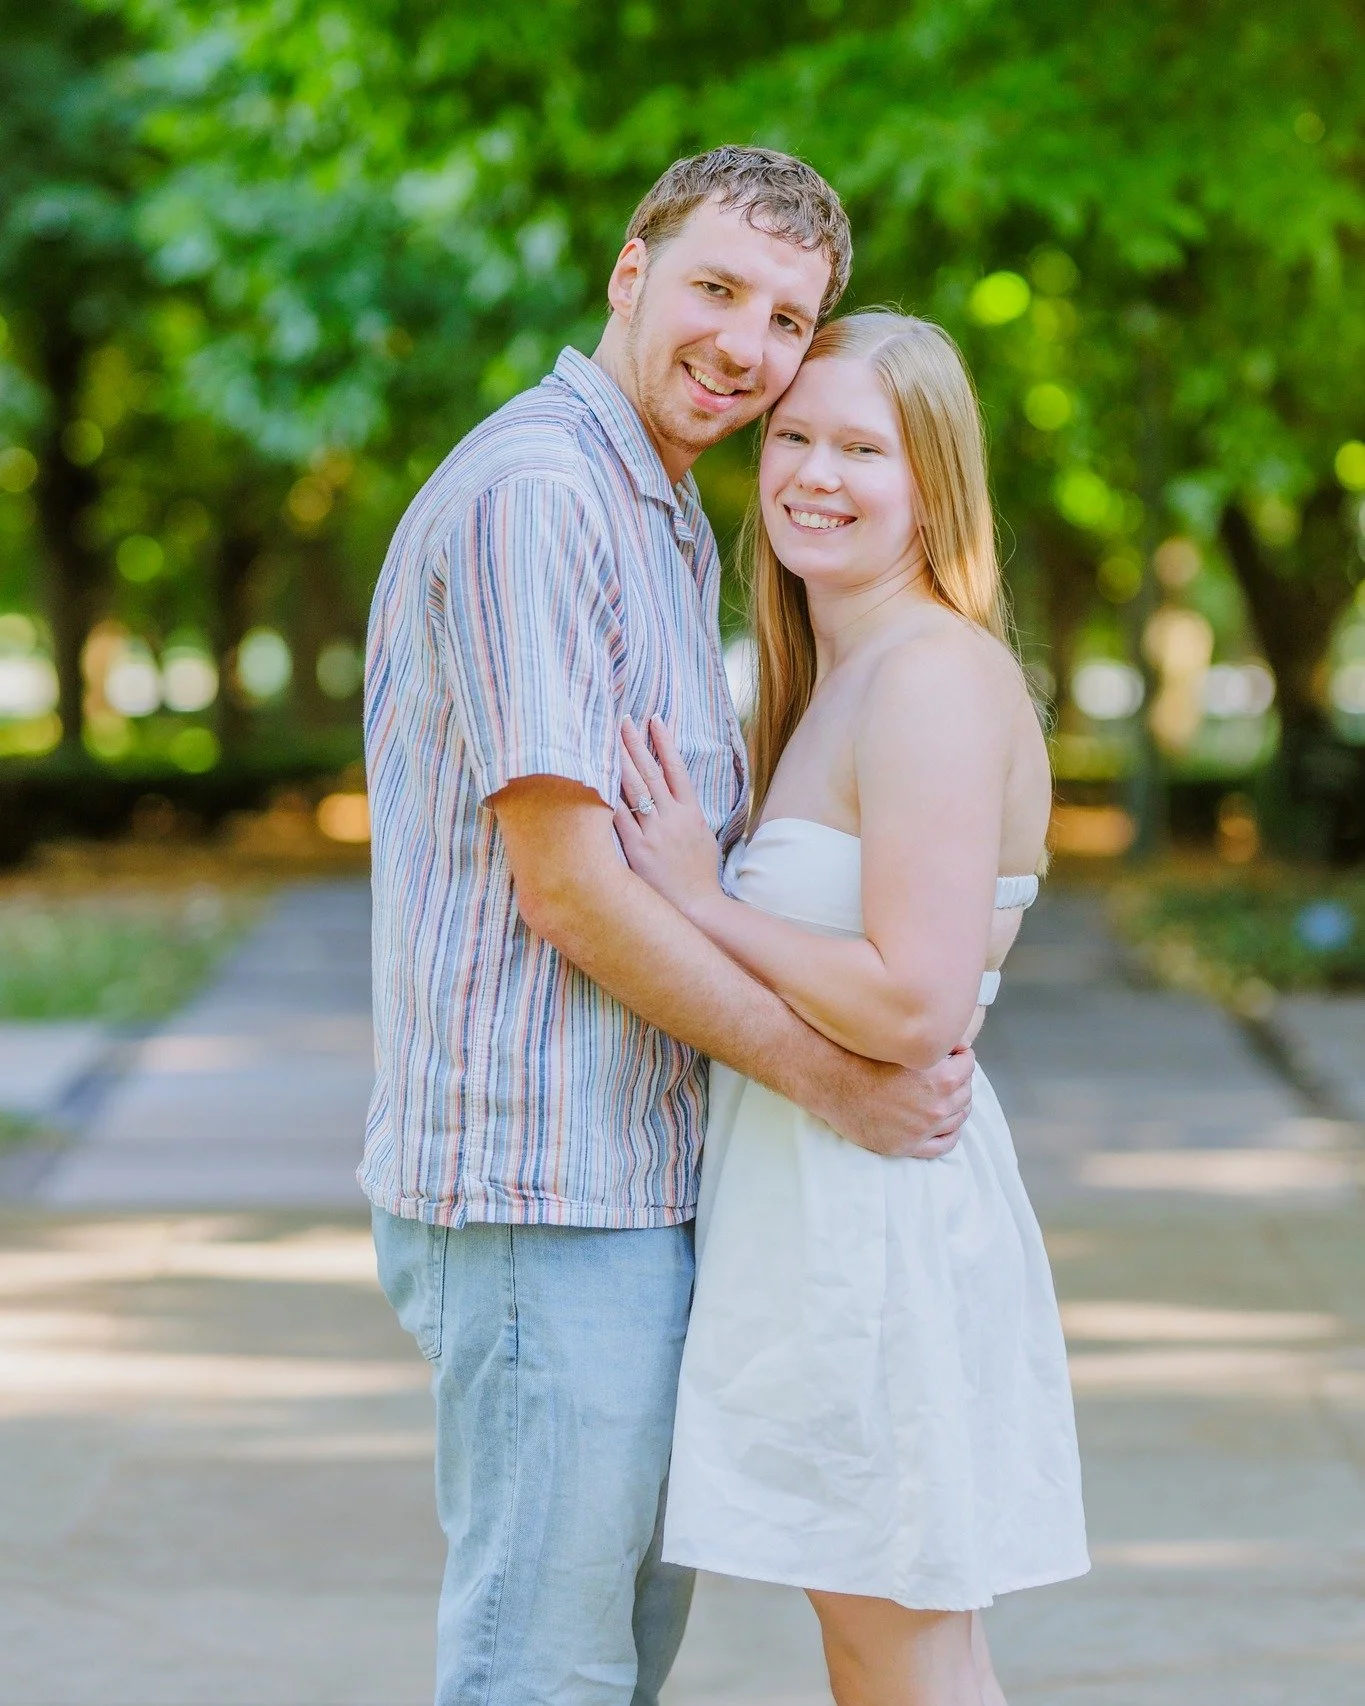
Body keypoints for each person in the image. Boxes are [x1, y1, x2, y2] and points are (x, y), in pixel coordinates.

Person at [360, 150, 978, 1706]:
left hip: (633, 1181)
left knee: (608, 1661)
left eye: (788, 317)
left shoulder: (665, 511)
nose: (747, 343)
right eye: (716, 287)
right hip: (540, 1186)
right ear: (631, 271)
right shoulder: (540, 496)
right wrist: (838, 1081)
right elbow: (569, 889)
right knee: (545, 1668)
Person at [613, 309, 1090, 1706]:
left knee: (900, 1640)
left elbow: (918, 998)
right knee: (877, 1639)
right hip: (820, 1207)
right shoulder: (839, 675)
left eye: (861, 447)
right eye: (795, 438)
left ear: (932, 480)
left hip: (876, 1219)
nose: (815, 472)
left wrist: (702, 902)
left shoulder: (935, 674)